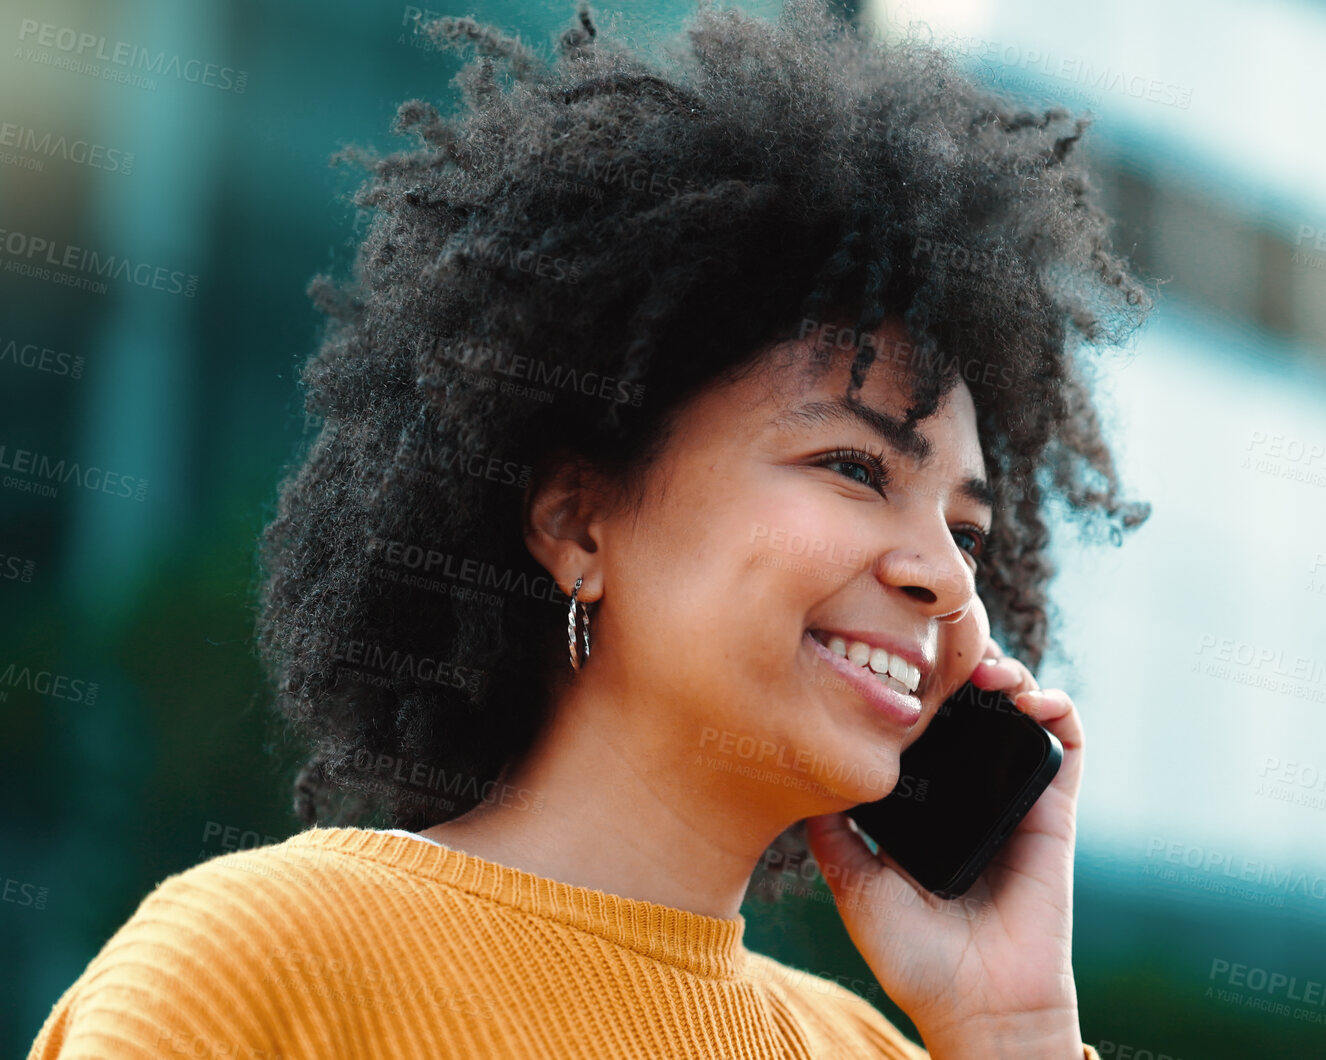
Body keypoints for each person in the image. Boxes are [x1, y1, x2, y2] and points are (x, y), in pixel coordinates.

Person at [28, 2, 1150, 1057]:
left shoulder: (887, 1044)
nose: (945, 578)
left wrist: (1013, 1033)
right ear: (575, 520)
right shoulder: (257, 964)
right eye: (854, 467)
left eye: (967, 527)